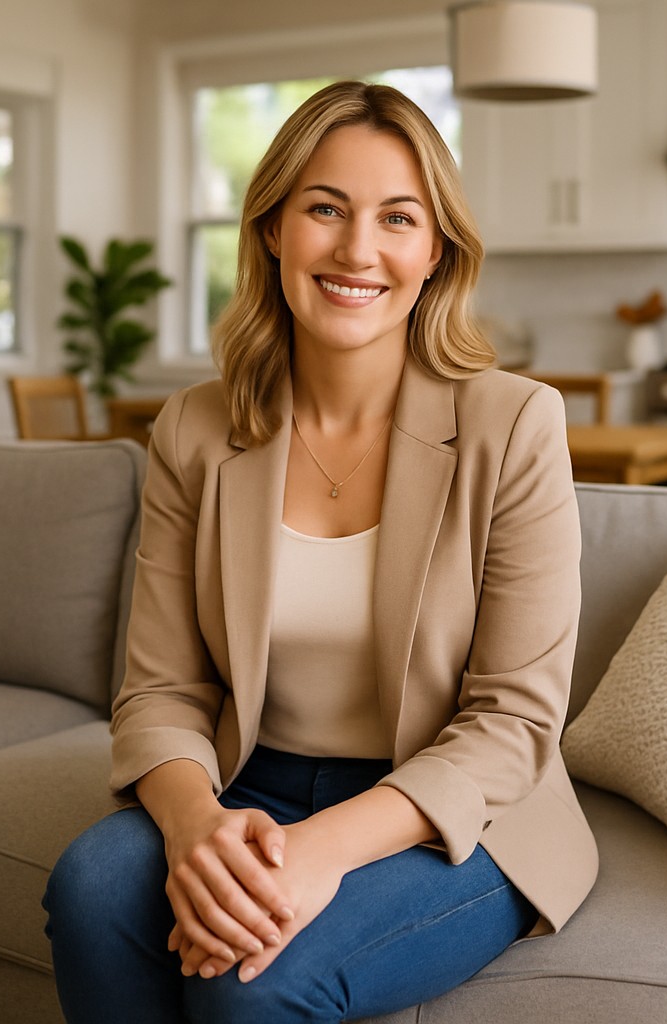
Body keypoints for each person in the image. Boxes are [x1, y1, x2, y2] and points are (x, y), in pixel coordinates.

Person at [42, 80, 597, 1024]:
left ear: (435, 252)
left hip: (454, 814)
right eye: (325, 209)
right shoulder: (195, 429)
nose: (356, 249)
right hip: (250, 778)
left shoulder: (515, 424)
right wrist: (194, 829)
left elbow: (513, 721)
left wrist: (319, 852)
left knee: (247, 982)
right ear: (271, 229)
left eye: (397, 218)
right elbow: (161, 688)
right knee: (93, 890)